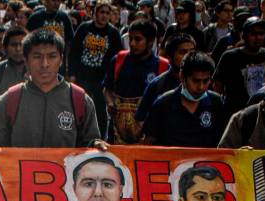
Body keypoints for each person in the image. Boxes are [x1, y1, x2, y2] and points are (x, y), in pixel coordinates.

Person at [0, 29, 106, 149]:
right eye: (37, 57)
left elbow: (90, 145)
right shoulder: (9, 99)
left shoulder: (80, 99)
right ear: (26, 60)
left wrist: (95, 145)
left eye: (52, 56)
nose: (44, 64)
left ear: (61, 60)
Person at [142, 50, 228, 147]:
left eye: (205, 81)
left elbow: (223, 143)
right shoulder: (163, 103)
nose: (201, 87)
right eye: (195, 81)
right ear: (182, 77)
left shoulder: (216, 102)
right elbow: (149, 144)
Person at [103, 20, 169, 143]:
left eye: (138, 39)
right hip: (116, 135)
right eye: (130, 39)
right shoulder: (118, 61)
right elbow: (107, 89)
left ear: (150, 41)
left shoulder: (162, 67)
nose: (132, 43)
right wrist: (110, 102)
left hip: (148, 137)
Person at [68, 0, 124, 137]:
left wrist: (113, 82)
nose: (104, 15)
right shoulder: (84, 28)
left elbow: (118, 59)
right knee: (79, 109)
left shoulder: (113, 33)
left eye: (107, 13)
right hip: (82, 77)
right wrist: (72, 74)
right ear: (95, 13)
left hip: (101, 80)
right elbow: (74, 51)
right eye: (101, 12)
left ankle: (99, 138)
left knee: (100, 112)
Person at [213, 16, 265, 115]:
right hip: (235, 114)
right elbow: (218, 86)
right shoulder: (230, 57)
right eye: (253, 34)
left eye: (261, 33)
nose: (258, 37)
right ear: (244, 35)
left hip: (262, 113)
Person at [135, 33, 196, 123]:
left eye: (192, 52)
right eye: (183, 52)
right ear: (170, 57)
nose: (189, 56)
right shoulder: (157, 85)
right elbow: (141, 119)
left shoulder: (202, 83)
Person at [25, 0, 76, 71]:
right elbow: (27, 41)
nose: (56, 3)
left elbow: (69, 42)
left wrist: (67, 63)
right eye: (53, 1)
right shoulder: (35, 17)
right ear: (46, 1)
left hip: (58, 62)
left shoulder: (64, 17)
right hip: (40, 61)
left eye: (58, 1)